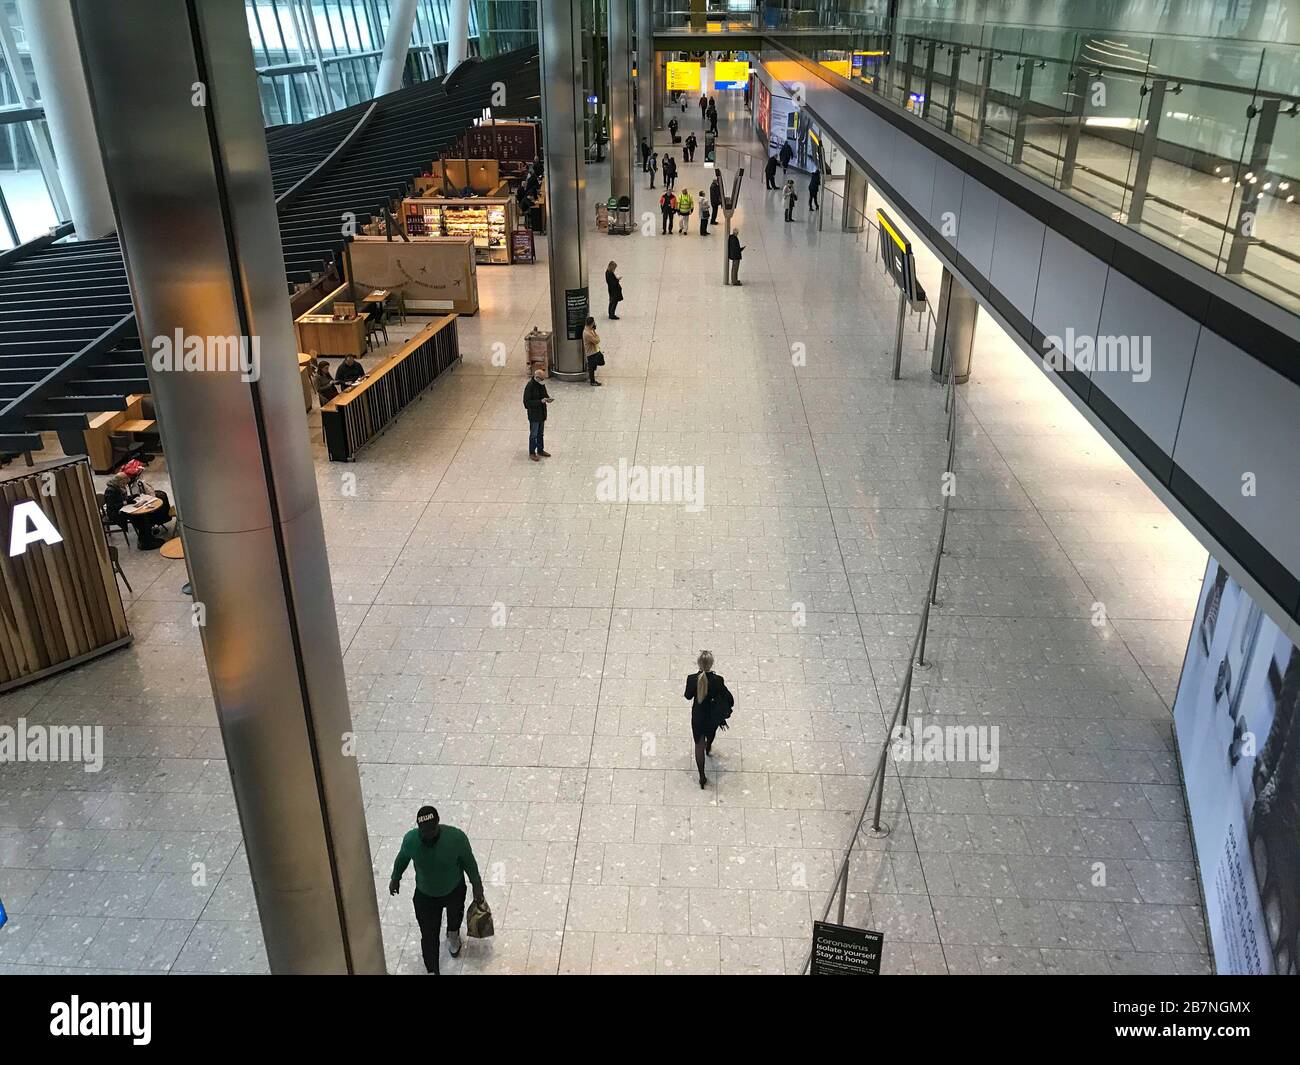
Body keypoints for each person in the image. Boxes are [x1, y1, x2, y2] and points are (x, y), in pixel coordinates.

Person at [389, 806, 485, 975]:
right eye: (424, 831)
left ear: (438, 825)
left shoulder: (456, 838)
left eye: (431, 830)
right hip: (425, 895)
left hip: (454, 889)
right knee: (428, 935)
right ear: (419, 828)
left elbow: (469, 861)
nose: (428, 834)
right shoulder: (411, 840)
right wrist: (396, 877)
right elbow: (402, 858)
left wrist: (476, 884)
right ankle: (432, 969)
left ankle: (453, 934)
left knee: (455, 915)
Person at [683, 651, 734, 788]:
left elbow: (688, 696)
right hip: (712, 716)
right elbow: (727, 696)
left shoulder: (692, 679)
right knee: (711, 734)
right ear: (711, 664)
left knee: (698, 744)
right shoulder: (718, 680)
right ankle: (709, 747)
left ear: (698, 663)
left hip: (698, 717)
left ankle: (702, 776)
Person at [104, 459, 173, 550]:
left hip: (123, 508)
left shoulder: (118, 487)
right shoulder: (111, 491)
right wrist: (126, 502)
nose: (125, 485)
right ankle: (145, 541)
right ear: (120, 482)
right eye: (124, 483)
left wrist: (131, 498)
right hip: (117, 513)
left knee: (143, 515)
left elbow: (122, 499)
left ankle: (148, 535)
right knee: (140, 517)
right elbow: (113, 506)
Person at [524, 368, 552, 460]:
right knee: (534, 434)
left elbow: (544, 394)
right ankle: (532, 452)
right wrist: (540, 401)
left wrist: (547, 399)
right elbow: (527, 403)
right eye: (542, 379)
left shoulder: (541, 384)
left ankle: (540, 449)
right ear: (537, 377)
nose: (543, 381)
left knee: (541, 433)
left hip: (542, 414)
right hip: (534, 415)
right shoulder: (530, 386)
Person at [582, 316, 604, 386]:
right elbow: (597, 341)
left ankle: (592, 377)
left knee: (593, 366)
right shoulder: (587, 333)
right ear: (591, 324)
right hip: (591, 353)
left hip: (594, 350)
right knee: (592, 366)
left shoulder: (589, 329)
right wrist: (595, 333)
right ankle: (592, 381)